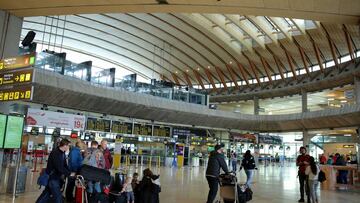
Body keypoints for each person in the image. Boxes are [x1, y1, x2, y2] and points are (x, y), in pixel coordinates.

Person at [36, 139, 74, 203]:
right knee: (58, 197)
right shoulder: (55, 153)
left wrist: (70, 172)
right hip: (53, 178)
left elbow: (64, 165)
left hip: (56, 177)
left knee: (46, 194)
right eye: (68, 146)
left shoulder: (62, 153)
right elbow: (59, 167)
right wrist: (69, 173)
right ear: (65, 145)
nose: (69, 147)